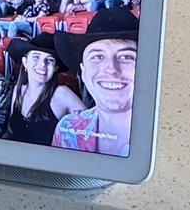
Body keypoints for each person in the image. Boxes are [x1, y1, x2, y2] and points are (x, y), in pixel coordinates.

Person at [51, 11, 139, 159]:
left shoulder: (162, 135)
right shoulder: (67, 129)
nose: (111, 69)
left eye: (126, 57)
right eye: (97, 57)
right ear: (83, 73)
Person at [3, 37, 65, 144]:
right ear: (25, 62)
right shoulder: (18, 91)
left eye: (50, 60)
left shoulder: (61, 94)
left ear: (55, 68)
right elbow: (9, 131)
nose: (42, 65)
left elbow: (91, 124)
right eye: (36, 57)